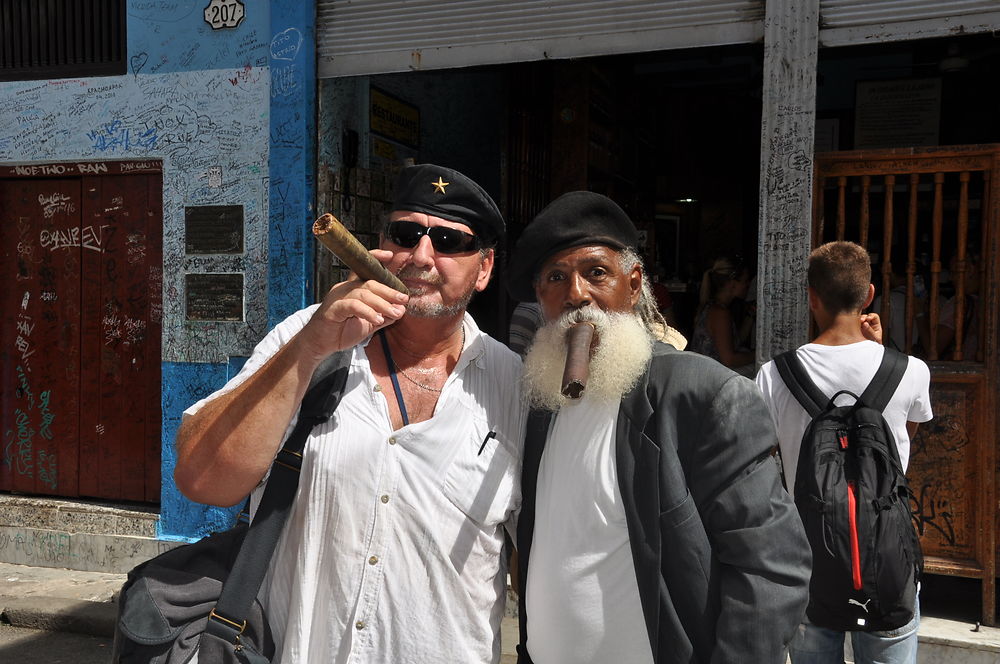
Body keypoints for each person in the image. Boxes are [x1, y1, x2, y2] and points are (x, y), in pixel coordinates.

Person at [174, 163, 526, 664]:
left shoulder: (514, 385)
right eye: (407, 234)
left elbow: (541, 556)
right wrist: (311, 346)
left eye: (448, 242)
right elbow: (201, 480)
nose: (422, 257)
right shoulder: (304, 335)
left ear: (485, 268)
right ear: (381, 245)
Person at [506, 191, 811, 664]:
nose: (577, 294)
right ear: (540, 298)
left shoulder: (701, 394)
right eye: (556, 278)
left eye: (596, 272)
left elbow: (771, 568)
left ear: (633, 284)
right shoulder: (540, 405)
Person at [755, 241, 933, 664]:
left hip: (810, 560)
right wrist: (883, 351)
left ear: (811, 296)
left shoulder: (773, 375)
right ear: (869, 294)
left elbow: (768, 455)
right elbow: (901, 439)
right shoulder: (911, 370)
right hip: (888, 562)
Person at [689, 256, 754, 374]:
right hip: (711, 379)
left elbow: (734, 342)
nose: (748, 285)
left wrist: (750, 316)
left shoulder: (714, 307)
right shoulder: (719, 313)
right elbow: (729, 359)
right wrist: (759, 354)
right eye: (745, 281)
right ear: (733, 283)